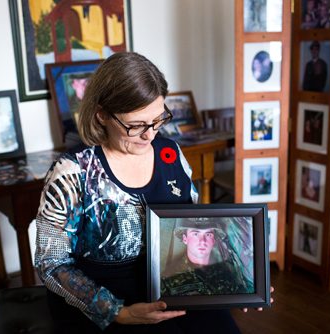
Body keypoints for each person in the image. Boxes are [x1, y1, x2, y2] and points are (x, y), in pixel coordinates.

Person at [34, 52, 267, 334]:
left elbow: (196, 223)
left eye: (158, 119)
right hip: (104, 303)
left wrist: (242, 284)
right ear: (102, 115)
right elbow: (51, 264)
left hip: (173, 286)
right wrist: (117, 312)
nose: (150, 134)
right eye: (136, 126)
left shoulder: (171, 153)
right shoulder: (73, 173)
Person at [160, 218, 254, 297]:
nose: (202, 241)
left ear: (213, 240)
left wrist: (255, 296)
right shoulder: (169, 276)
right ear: (185, 238)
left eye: (208, 234)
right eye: (196, 234)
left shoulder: (226, 272)